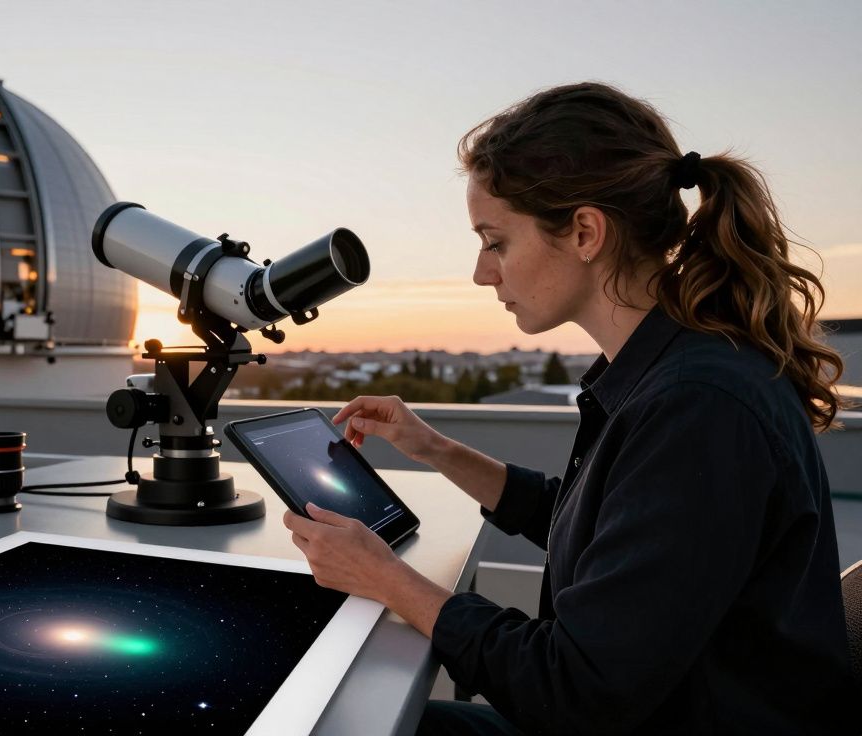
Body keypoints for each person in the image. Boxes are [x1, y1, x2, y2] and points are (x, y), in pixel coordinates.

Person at [282, 82, 853, 734]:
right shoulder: (676, 371)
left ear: (585, 232)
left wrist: (388, 580)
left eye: (495, 241)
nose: (482, 272)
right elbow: (599, 528)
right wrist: (434, 448)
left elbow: (575, 692)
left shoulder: (698, 408)